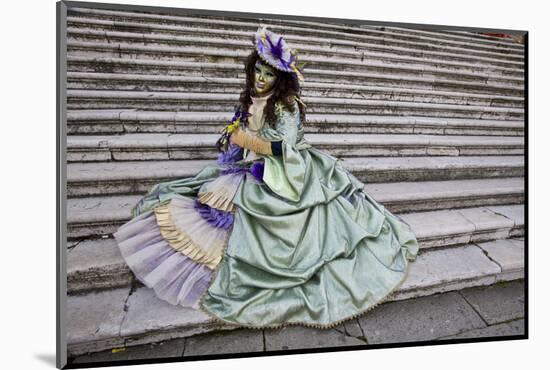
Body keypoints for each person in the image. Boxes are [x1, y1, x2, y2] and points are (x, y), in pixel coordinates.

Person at [114, 27, 419, 329]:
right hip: (249, 167)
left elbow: (283, 148)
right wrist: (233, 137)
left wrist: (248, 142)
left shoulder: (287, 107)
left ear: (280, 79)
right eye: (257, 71)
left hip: (285, 171)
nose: (260, 78)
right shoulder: (250, 97)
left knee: (279, 219)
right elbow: (239, 129)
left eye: (268, 74)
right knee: (209, 201)